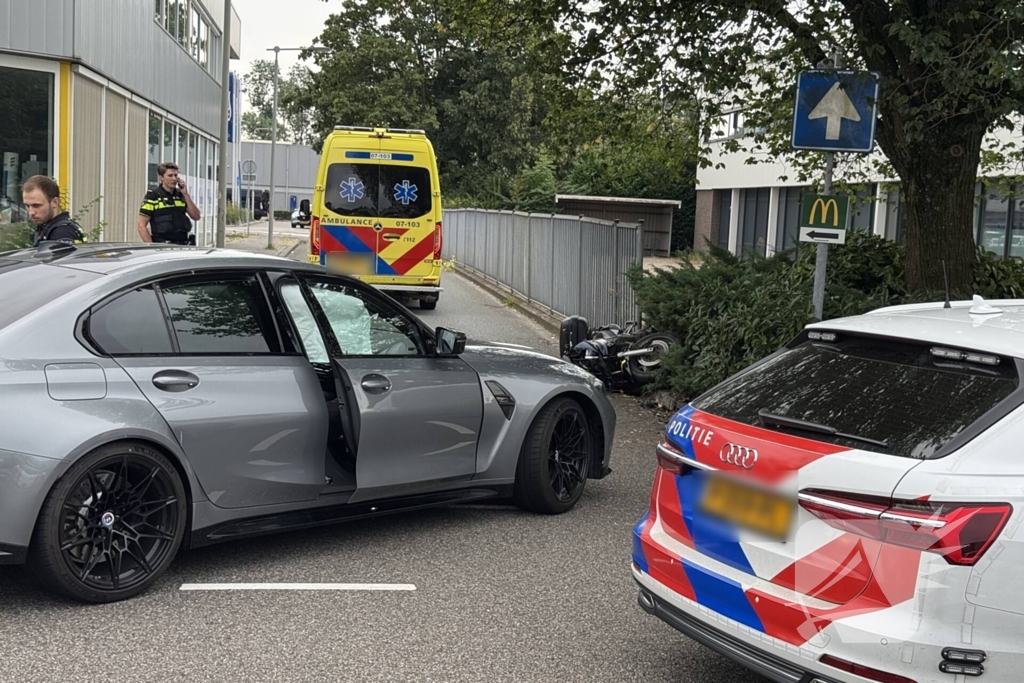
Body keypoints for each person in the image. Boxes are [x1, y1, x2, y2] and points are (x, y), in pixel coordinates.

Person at [138, 162, 200, 244]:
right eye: (170, 175)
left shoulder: (181, 195)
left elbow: (196, 216)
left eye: (176, 175)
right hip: (163, 246)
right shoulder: (153, 196)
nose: (174, 179)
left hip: (183, 244)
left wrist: (185, 194)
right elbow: (141, 226)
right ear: (161, 177)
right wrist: (152, 247)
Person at [22, 175, 88, 246]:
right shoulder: (46, 226)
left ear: (55, 202)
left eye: (36, 206)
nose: (31, 212)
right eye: (27, 206)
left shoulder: (63, 232)